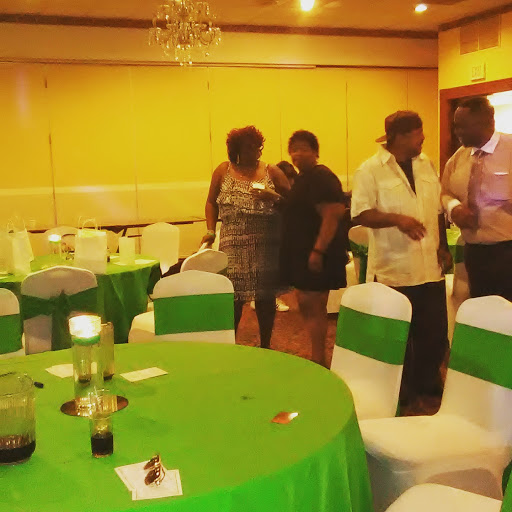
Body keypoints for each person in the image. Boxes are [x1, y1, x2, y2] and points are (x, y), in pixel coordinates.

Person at [351, 110, 452, 412]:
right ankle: (403, 392)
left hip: (429, 268)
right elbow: (361, 214)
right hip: (394, 270)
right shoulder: (370, 170)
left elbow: (437, 210)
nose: (423, 139)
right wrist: (397, 220)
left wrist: (443, 246)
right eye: (419, 134)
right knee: (400, 336)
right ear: (401, 136)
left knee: (433, 335)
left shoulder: (426, 164)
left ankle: (428, 387)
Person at [202, 126, 290, 348]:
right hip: (232, 244)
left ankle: (266, 345)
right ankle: (230, 345)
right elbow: (211, 202)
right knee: (233, 298)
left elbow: (293, 203)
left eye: (258, 147)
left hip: (265, 243)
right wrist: (210, 230)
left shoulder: (272, 171)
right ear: (236, 150)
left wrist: (273, 196)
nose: (256, 153)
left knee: (265, 298)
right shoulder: (223, 170)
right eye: (250, 148)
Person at [280, 131, 348, 368]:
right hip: (305, 251)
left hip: (317, 252)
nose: (297, 154)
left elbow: (332, 215)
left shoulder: (321, 176)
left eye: (303, 149)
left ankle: (319, 359)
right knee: (309, 304)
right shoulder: (304, 178)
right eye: (293, 149)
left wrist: (318, 251)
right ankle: (318, 357)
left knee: (313, 304)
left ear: (315, 152)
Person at [441, 96, 512, 301]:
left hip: (507, 250)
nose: (457, 132)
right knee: (482, 309)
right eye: (456, 126)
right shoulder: (458, 158)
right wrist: (454, 208)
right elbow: (444, 192)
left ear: (485, 122)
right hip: (475, 251)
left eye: (463, 126)